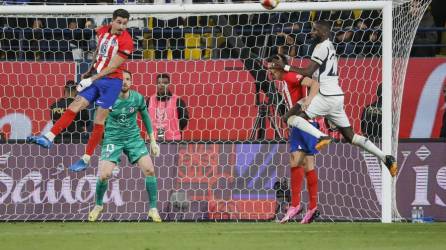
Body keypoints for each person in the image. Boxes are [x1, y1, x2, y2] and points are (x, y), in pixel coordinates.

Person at [268, 20, 397, 177]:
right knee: (351, 137)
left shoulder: (320, 47)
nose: (312, 32)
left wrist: (285, 67)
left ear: (323, 31)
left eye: (315, 30)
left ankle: (321, 136)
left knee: (290, 117)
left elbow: (308, 72)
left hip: (326, 95)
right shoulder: (330, 46)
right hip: (336, 97)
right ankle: (386, 157)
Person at [27, 9, 134, 172]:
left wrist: (91, 79)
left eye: (125, 24)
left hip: (112, 83)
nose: (121, 26)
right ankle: (48, 138)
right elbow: (99, 52)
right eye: (119, 22)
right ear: (112, 21)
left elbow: (113, 66)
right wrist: (90, 70)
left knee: (98, 121)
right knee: (75, 104)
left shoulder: (127, 42)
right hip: (97, 77)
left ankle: (85, 159)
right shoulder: (103, 30)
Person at [88, 70, 162, 222]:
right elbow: (98, 121)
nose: (125, 82)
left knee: (149, 170)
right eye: (121, 79)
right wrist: (98, 141)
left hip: (133, 138)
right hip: (113, 139)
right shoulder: (108, 99)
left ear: (132, 82)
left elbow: (146, 117)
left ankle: (153, 209)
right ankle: (98, 205)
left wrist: (153, 140)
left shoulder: (137, 98)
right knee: (104, 175)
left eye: (128, 79)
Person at [267, 54, 321, 224]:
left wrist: (309, 100)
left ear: (280, 66)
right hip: (301, 123)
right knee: (301, 163)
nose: (270, 72)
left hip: (306, 122)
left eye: (272, 68)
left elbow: (314, 83)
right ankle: (305, 206)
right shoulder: (283, 80)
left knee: (301, 162)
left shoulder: (290, 76)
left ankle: (303, 206)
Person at [147, 73, 189, 141]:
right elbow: (145, 118)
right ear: (156, 84)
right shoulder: (150, 100)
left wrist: (175, 130)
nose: (162, 85)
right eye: (159, 83)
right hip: (153, 141)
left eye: (165, 83)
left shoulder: (177, 100)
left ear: (169, 84)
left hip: (172, 140)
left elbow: (184, 119)